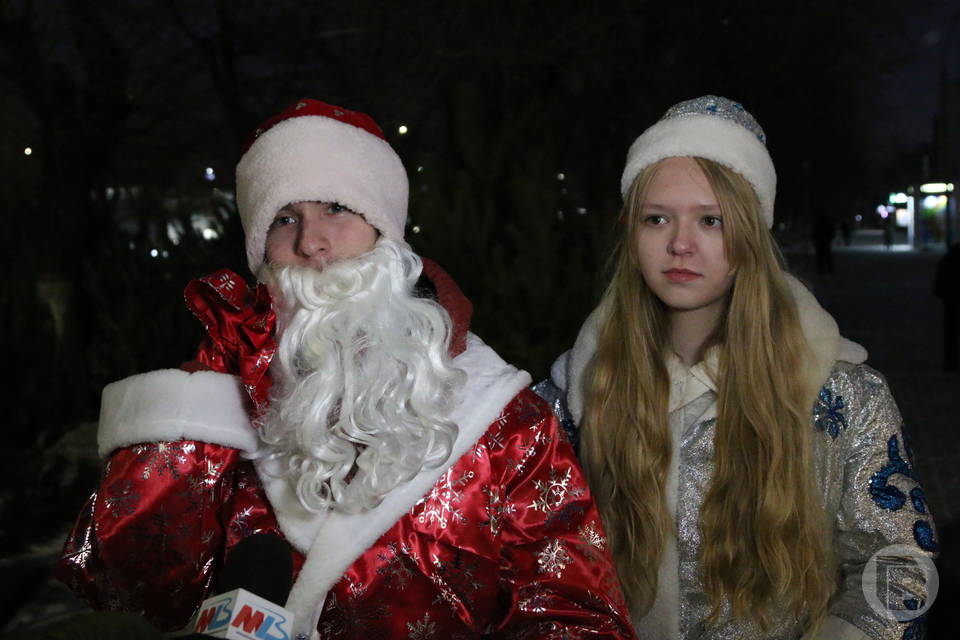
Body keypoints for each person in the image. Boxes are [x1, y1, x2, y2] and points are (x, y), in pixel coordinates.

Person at [56, 99, 636, 639]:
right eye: (284, 219)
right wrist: (204, 388)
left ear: (384, 230)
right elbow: (130, 582)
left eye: (336, 208)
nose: (313, 243)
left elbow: (576, 614)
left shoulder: (506, 419)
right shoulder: (223, 399)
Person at [535, 96, 937, 639]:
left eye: (711, 220)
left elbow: (898, 563)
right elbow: (529, 560)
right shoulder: (573, 395)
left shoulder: (840, 394)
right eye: (657, 219)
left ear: (750, 234)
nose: (680, 244)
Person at [934, 242, 960, 371]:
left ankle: (951, 363)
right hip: (952, 298)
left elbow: (941, 276)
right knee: (951, 333)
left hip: (952, 300)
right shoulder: (953, 254)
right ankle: (951, 362)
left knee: (951, 333)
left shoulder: (953, 253)